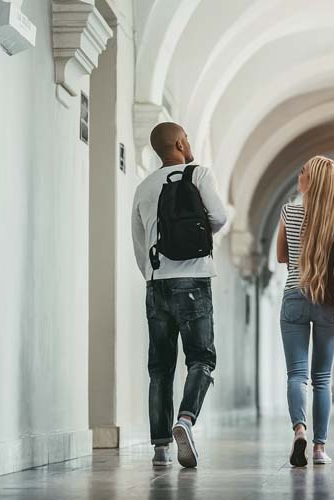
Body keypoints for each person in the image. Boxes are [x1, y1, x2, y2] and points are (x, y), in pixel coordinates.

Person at [131, 122, 228, 468]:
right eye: (185, 138)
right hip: (194, 279)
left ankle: (160, 447)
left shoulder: (143, 186)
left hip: (156, 283)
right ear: (180, 142)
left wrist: (154, 273)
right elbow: (219, 217)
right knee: (201, 359)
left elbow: (139, 244)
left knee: (160, 367)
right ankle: (185, 420)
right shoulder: (198, 174)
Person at [276, 155, 334, 467]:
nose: (298, 175)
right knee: (322, 378)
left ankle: (299, 431)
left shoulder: (288, 211)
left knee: (297, 375)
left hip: (294, 296)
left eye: (302, 171)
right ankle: (319, 448)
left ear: (311, 181)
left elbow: (281, 257)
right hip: (328, 301)